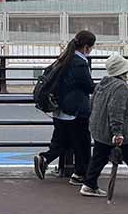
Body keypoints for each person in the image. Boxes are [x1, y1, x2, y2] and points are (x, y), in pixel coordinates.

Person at [79, 53, 128, 200]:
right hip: (116, 133)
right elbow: (116, 111)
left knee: (99, 157)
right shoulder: (120, 87)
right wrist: (118, 132)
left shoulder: (103, 83)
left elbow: (94, 104)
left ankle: (89, 184)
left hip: (100, 129)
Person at [34, 30, 96, 185]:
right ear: (86, 47)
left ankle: (44, 159)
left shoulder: (63, 59)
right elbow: (89, 87)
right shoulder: (79, 63)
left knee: (62, 141)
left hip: (59, 109)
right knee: (82, 144)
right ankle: (80, 174)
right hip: (75, 111)